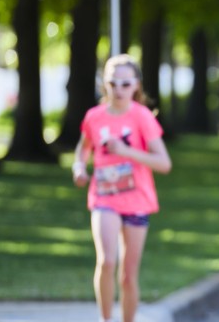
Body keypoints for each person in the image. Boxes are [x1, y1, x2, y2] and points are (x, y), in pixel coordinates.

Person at [72, 54, 172, 322]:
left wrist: (127, 151)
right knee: (106, 261)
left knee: (128, 276)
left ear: (136, 85)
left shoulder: (142, 117)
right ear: (104, 84)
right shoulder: (94, 116)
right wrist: (79, 169)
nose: (118, 90)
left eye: (125, 84)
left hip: (137, 200)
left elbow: (164, 163)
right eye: (112, 83)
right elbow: (82, 151)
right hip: (104, 198)